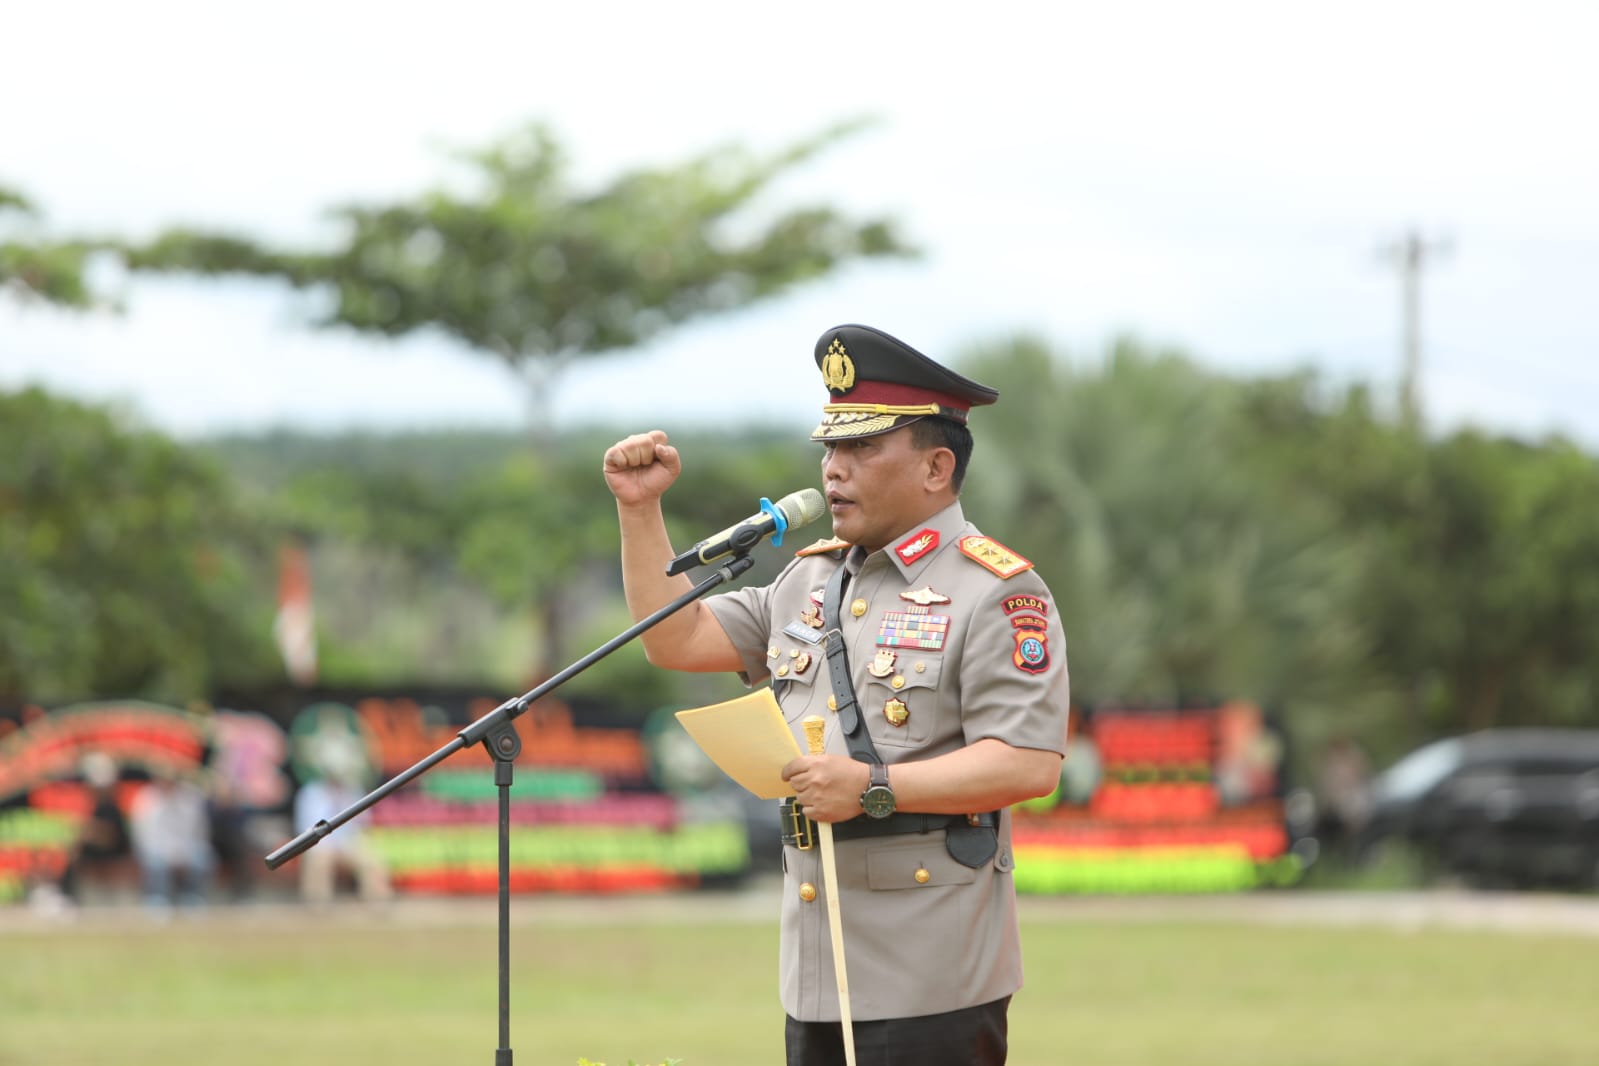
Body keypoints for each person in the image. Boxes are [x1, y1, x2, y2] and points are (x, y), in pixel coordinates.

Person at [604, 323, 1070, 1066]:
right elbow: (676, 638)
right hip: (819, 962)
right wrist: (638, 511)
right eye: (829, 447)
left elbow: (1026, 763)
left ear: (935, 466)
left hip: (932, 965)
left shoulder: (994, 591)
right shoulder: (810, 578)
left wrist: (874, 786)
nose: (833, 470)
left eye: (861, 449)